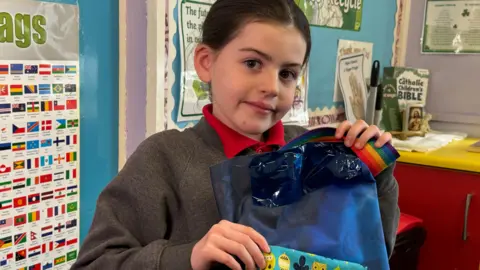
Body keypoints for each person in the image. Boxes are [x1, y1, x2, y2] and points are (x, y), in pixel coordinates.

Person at [72, 0, 399, 269]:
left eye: (287, 73)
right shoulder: (163, 159)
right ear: (205, 62)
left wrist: (374, 174)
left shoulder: (317, 152)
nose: (271, 87)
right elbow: (94, 263)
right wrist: (188, 256)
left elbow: (369, 255)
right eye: (253, 63)